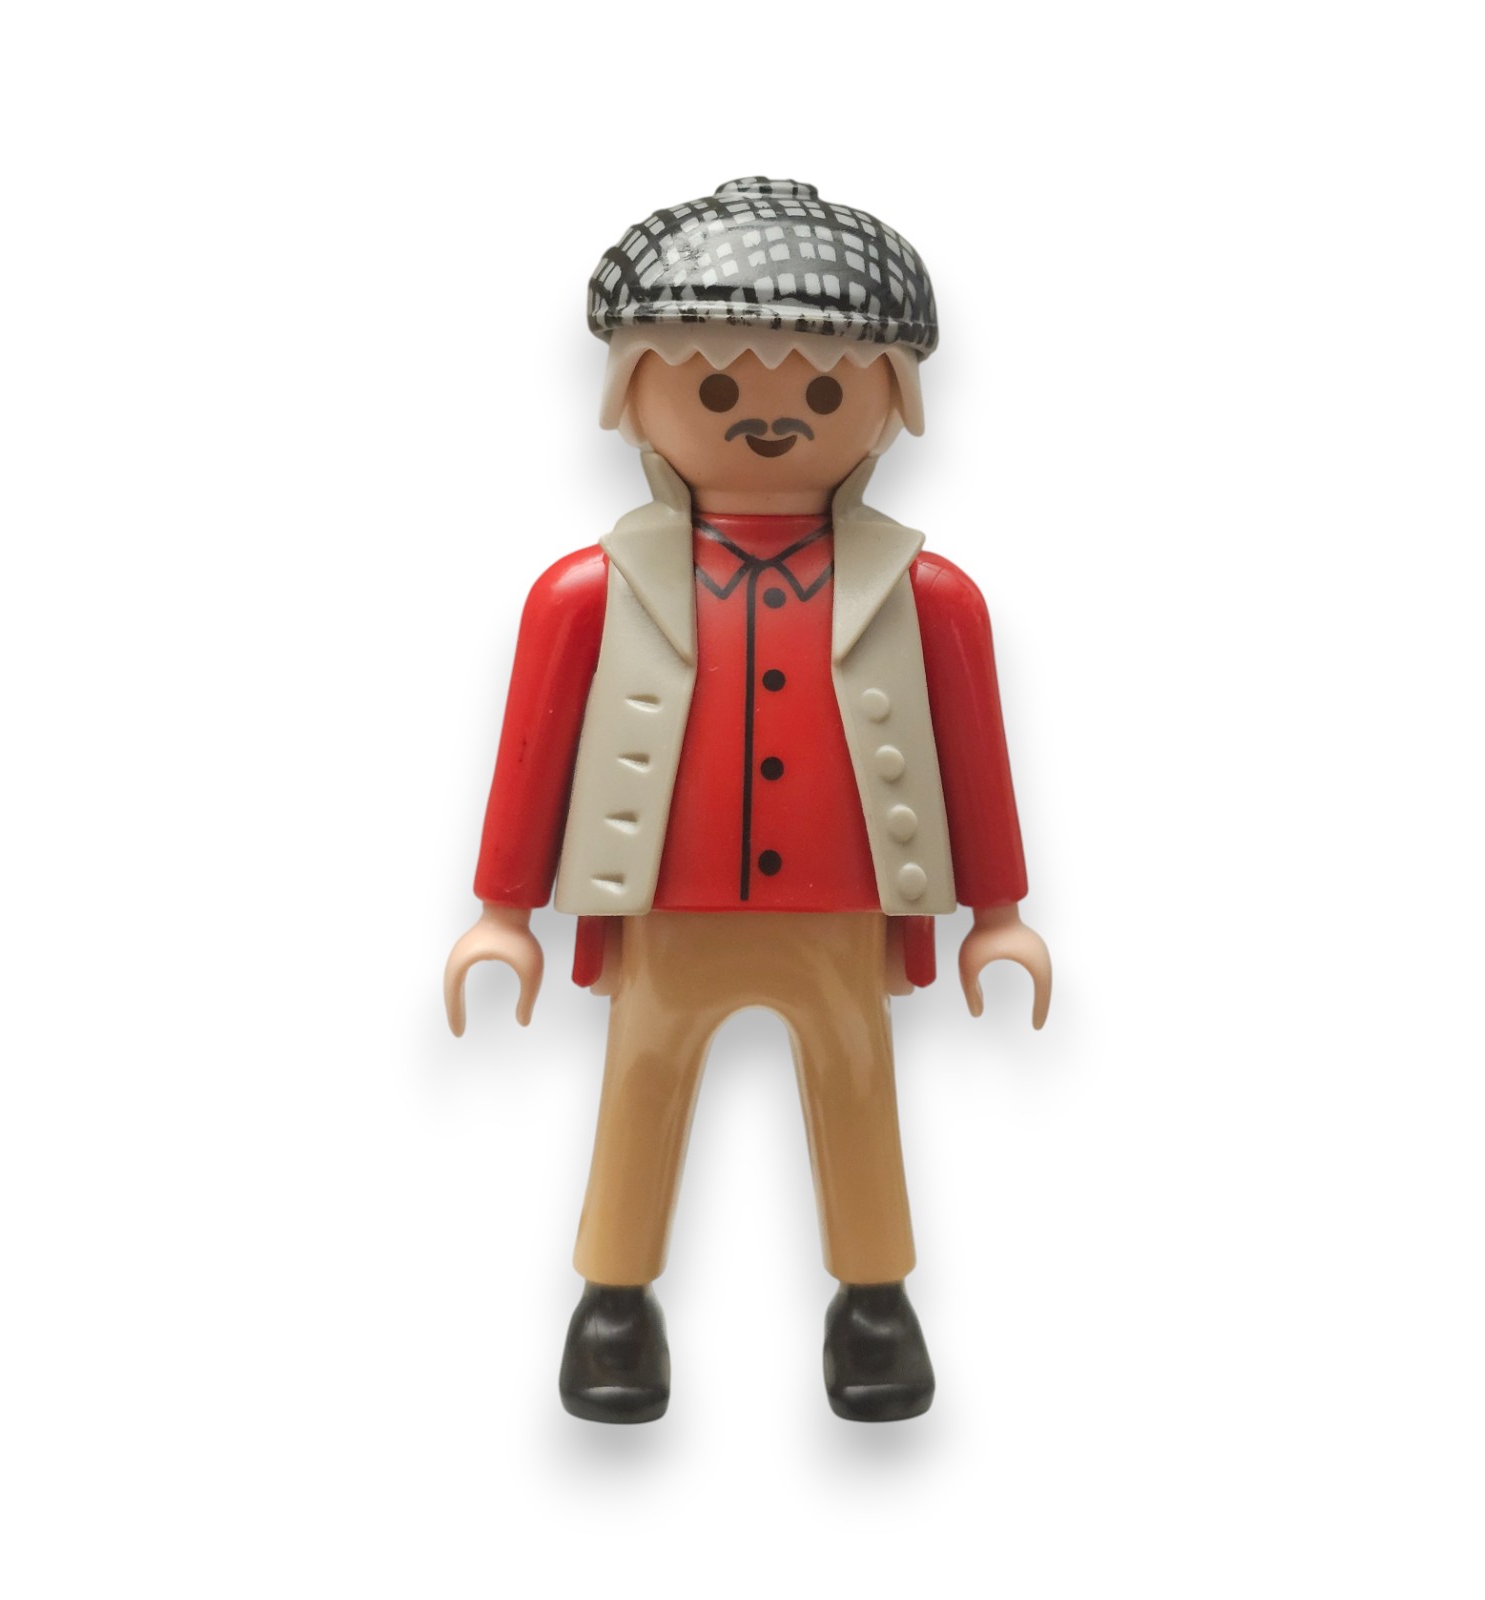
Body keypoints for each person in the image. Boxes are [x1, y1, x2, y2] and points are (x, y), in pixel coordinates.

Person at [444, 177, 1052, 1423]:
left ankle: (873, 1299)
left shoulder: (927, 595)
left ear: (889, 401)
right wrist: (503, 910)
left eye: (823, 393)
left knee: (856, 1081)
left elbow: (974, 755)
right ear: (633, 394)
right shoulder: (588, 592)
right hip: (665, 904)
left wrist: (998, 911)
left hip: (843, 910)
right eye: (716, 390)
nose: (771, 419)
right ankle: (614, 1300)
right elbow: (532, 752)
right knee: (641, 1078)